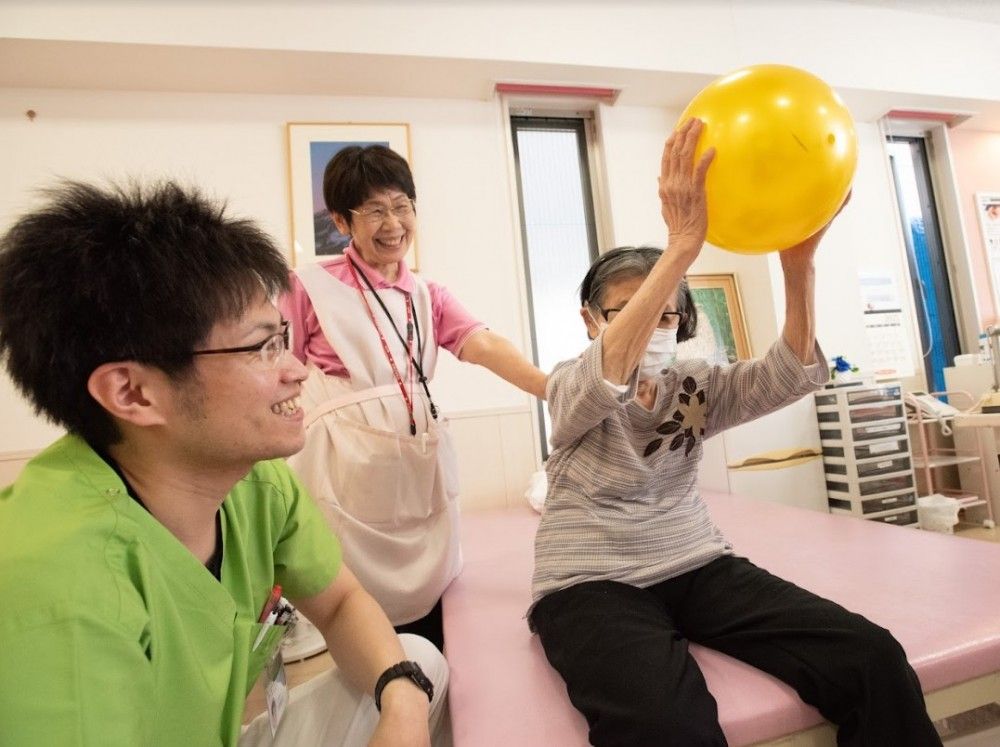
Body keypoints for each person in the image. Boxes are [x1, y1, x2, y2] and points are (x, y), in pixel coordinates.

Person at [528, 119, 942, 746]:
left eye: (668, 312)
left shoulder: (692, 383)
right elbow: (604, 376)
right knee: (667, 723)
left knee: (871, 656)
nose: (656, 326)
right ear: (592, 321)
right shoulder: (573, 383)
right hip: (590, 581)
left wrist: (798, 266)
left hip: (695, 561)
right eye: (634, 311)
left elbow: (786, 375)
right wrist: (680, 247)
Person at [0, 180, 449, 746]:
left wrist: (402, 710)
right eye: (261, 348)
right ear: (133, 393)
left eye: (283, 339)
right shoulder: (57, 584)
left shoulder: (253, 481)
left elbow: (338, 603)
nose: (297, 370)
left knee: (414, 663)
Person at [281, 144, 546, 650]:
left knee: (430, 605)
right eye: (375, 210)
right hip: (342, 473)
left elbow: (480, 343)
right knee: (351, 611)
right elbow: (278, 368)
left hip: (420, 469)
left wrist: (550, 387)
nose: (393, 223)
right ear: (341, 220)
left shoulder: (428, 294)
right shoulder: (309, 285)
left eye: (402, 206)